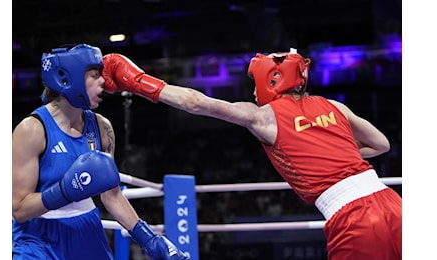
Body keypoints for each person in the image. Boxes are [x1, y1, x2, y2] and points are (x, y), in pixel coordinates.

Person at [100, 49, 402, 260]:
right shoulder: (334, 106)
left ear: (270, 80)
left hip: (354, 218)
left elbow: (196, 102)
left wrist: (139, 82)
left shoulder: (264, 116)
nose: (255, 93)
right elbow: (380, 145)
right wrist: (334, 154)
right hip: (394, 205)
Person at [12, 43, 189, 260]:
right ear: (67, 78)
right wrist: (65, 191)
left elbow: (111, 195)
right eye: (95, 75)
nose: (104, 81)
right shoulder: (32, 130)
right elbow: (19, 209)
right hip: (38, 237)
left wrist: (150, 239)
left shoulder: (101, 128)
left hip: (87, 230)